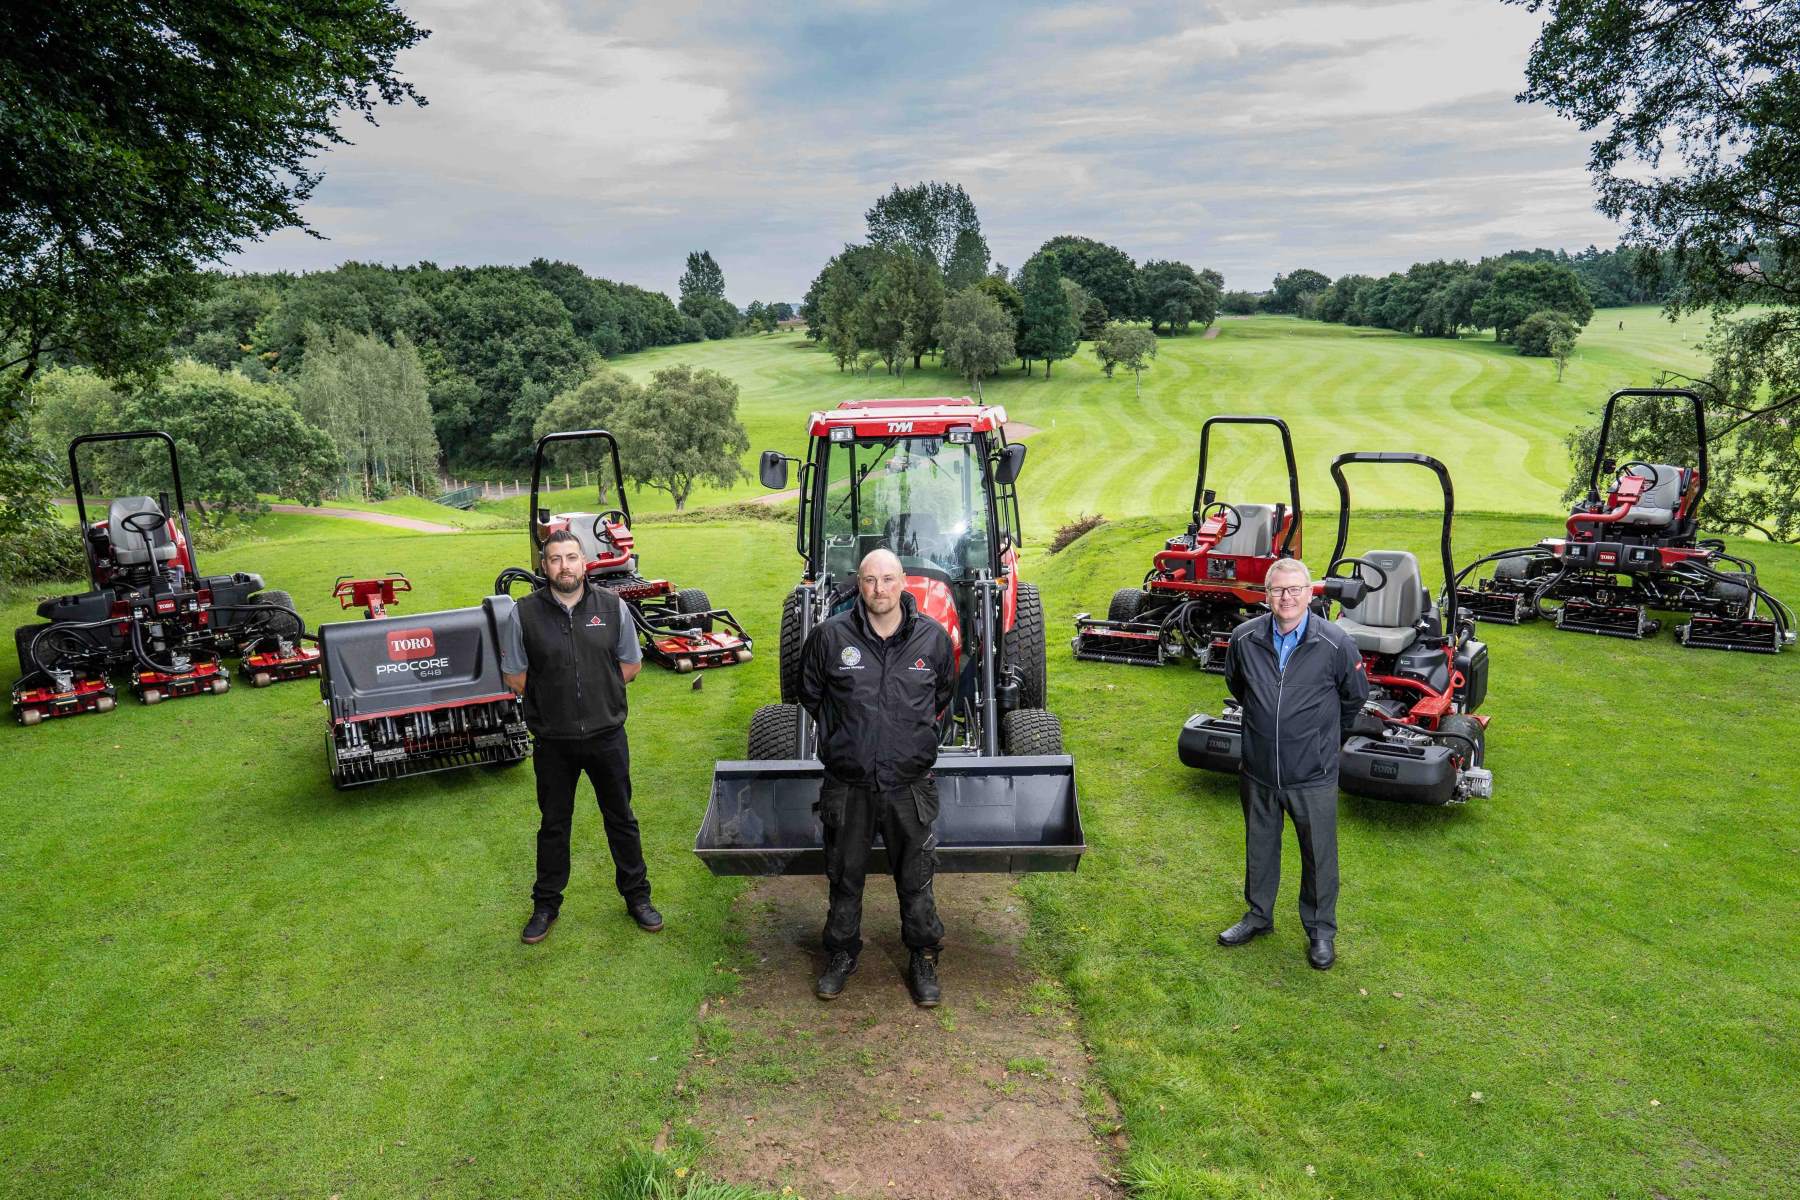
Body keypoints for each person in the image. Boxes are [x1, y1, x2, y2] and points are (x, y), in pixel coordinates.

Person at [798, 548, 955, 1006]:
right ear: (858, 584)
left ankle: (923, 956)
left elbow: (941, 696)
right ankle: (842, 953)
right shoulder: (830, 637)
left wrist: (910, 742)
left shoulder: (933, 639)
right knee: (844, 876)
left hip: (910, 784)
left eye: (888, 579)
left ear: (903, 581)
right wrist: (846, 738)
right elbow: (810, 694)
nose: (879, 589)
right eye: (870, 580)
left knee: (917, 877)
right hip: (850, 785)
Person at [498, 528, 661, 944]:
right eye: (555, 559)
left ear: (584, 562)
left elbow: (630, 665)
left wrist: (596, 696)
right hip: (553, 742)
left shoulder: (611, 606)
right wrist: (557, 704)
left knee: (621, 819)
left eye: (571, 557)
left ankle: (637, 898)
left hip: (607, 737)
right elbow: (516, 676)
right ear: (544, 566)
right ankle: (546, 905)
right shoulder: (524, 613)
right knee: (554, 825)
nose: (564, 566)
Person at [1218, 557, 1368, 969]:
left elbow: (1353, 697)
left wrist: (1320, 738)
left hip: (1313, 774)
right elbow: (1238, 686)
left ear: (1309, 593)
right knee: (1260, 847)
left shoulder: (1336, 643)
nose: (1286, 598)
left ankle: (1320, 933)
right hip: (1259, 769)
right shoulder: (1244, 639)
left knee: (1318, 856)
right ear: (1266, 595)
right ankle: (1258, 916)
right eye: (1278, 590)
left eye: (1295, 589)